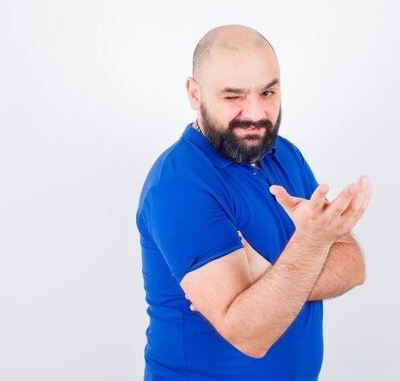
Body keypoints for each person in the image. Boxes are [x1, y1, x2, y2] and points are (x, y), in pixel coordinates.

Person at [136, 24, 373, 381]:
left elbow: (353, 265)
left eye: (267, 92)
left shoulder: (283, 154)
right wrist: (312, 245)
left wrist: (267, 276)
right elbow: (250, 334)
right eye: (233, 96)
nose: (256, 113)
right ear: (194, 94)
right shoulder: (179, 185)